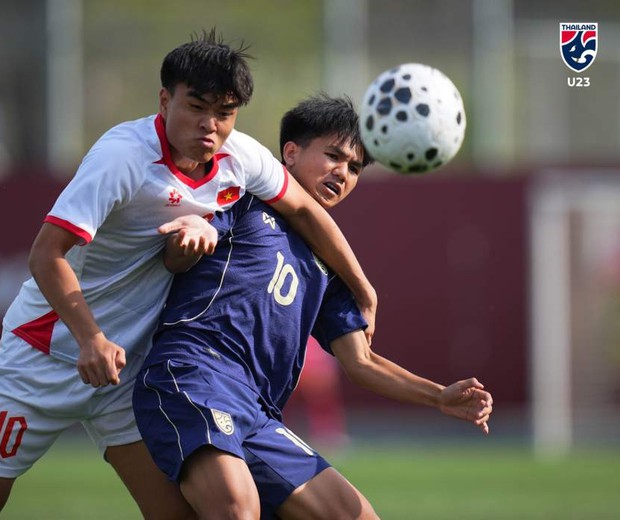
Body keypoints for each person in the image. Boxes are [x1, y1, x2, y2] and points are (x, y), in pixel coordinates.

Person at [0, 30, 379, 519]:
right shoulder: (121, 158)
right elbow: (46, 255)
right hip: (45, 354)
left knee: (183, 513)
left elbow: (304, 210)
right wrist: (90, 338)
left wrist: (362, 287)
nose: (210, 125)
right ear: (165, 100)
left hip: (130, 372)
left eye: (225, 112)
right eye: (197, 107)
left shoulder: (241, 157)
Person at [134, 94, 494, 519]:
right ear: (290, 152)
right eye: (334, 156)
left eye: (355, 168)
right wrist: (189, 238)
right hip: (195, 374)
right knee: (236, 508)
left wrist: (438, 397)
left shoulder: (330, 270)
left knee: (355, 515)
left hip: (258, 412)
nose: (343, 173)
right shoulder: (244, 195)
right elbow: (177, 254)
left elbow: (362, 362)